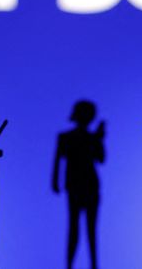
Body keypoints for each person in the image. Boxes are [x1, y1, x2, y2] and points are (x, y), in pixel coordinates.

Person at [52, 100, 105, 269]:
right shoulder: (68, 137)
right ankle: (76, 265)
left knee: (83, 229)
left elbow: (101, 158)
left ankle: (86, 265)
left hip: (83, 186)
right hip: (81, 186)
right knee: (81, 229)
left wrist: (99, 138)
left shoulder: (69, 137)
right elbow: (58, 161)